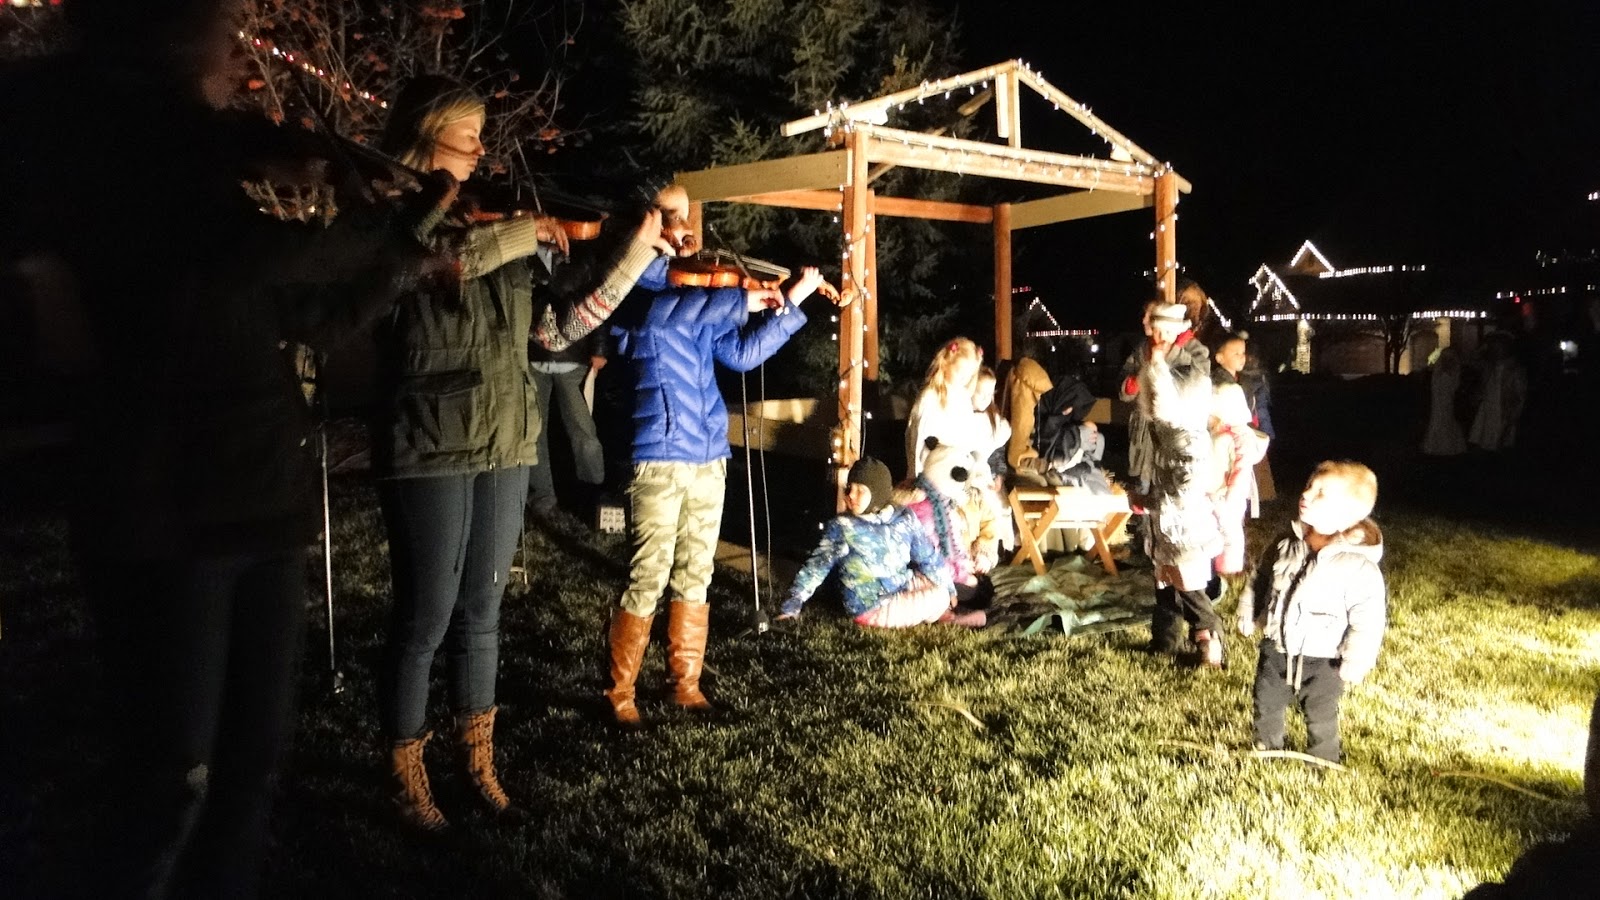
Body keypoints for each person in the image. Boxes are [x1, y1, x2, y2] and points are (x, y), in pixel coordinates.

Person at [0, 1, 446, 894]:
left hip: (261, 496)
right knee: (170, 783)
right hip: (165, 506)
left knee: (249, 775)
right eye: (223, 27)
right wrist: (373, 225)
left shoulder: (201, 157)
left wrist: (398, 253)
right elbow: (242, 254)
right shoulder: (111, 145)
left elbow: (311, 317)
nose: (237, 48)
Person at [371, 76, 667, 830]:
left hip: (505, 439)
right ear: (425, 134)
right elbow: (431, 261)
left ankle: (478, 763)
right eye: (468, 135)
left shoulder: (494, 226)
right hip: (432, 440)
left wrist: (633, 254)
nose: (481, 150)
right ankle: (405, 773)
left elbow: (556, 331)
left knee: (483, 611)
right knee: (426, 616)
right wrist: (522, 231)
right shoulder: (388, 216)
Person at [602, 184, 823, 727]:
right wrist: (739, 298)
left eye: (688, 216)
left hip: (708, 453)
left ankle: (685, 684)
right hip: (659, 453)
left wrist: (791, 304)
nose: (688, 227)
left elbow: (742, 354)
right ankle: (619, 694)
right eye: (674, 216)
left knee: (696, 573)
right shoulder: (632, 286)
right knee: (648, 574)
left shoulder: (698, 287)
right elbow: (661, 320)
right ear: (648, 223)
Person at [1237, 460, 1386, 763]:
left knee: (1321, 712)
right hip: (1277, 647)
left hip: (1324, 659)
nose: (1306, 494)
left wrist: (1356, 659)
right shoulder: (1287, 542)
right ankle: (1267, 747)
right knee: (1266, 701)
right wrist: (1249, 611)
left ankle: (1324, 757)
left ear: (1349, 512)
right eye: (1309, 486)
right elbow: (1261, 577)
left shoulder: (1358, 566)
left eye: (1321, 493)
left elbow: (1367, 620)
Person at [1122, 300, 1225, 667]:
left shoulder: (1193, 362)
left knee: (1186, 571)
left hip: (1180, 507)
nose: (1157, 334)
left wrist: (1158, 367)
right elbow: (1131, 390)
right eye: (1154, 327)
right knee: (1162, 570)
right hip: (1159, 477)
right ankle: (1165, 638)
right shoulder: (1146, 356)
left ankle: (1208, 636)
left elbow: (1181, 494)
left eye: (1163, 327)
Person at [777, 457, 954, 627]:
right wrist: (793, 602)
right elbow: (818, 566)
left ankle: (938, 611)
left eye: (860, 491)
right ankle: (941, 614)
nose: (851, 495)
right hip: (871, 606)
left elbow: (927, 556)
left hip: (899, 585)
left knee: (937, 584)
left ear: (877, 494)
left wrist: (949, 586)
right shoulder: (844, 526)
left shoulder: (904, 518)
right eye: (849, 489)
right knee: (940, 597)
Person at [526, 329, 607, 519]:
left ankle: (594, 497)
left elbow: (597, 311)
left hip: (573, 355)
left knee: (583, 431)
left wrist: (599, 349)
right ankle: (542, 501)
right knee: (534, 433)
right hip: (535, 355)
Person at [1209, 383, 1268, 576]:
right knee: (1218, 531)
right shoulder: (1224, 433)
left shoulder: (1239, 437)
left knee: (1229, 534)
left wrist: (1230, 499)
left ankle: (1228, 572)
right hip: (1217, 493)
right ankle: (1217, 571)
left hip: (1227, 496)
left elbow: (1240, 471)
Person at [904, 336, 984, 479]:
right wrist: (917, 477)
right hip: (930, 470)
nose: (964, 379)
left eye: (969, 375)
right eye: (960, 372)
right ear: (946, 364)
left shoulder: (963, 398)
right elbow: (919, 439)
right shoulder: (930, 397)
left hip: (955, 471)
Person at [1468, 335, 1526, 452]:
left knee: (1500, 441)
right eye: (1493, 347)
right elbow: (1472, 360)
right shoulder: (1489, 366)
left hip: (1503, 407)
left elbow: (1520, 394)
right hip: (1488, 405)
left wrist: (1514, 413)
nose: (1495, 350)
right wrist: (1482, 348)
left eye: (1497, 347)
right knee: (1485, 439)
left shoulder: (1514, 369)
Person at [1421, 346, 1467, 456]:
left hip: (1447, 401)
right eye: (1445, 359)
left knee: (1446, 419)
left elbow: (1453, 388)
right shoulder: (1438, 373)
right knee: (1438, 419)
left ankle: (1446, 445)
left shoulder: (1453, 373)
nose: (1447, 361)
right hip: (1438, 401)